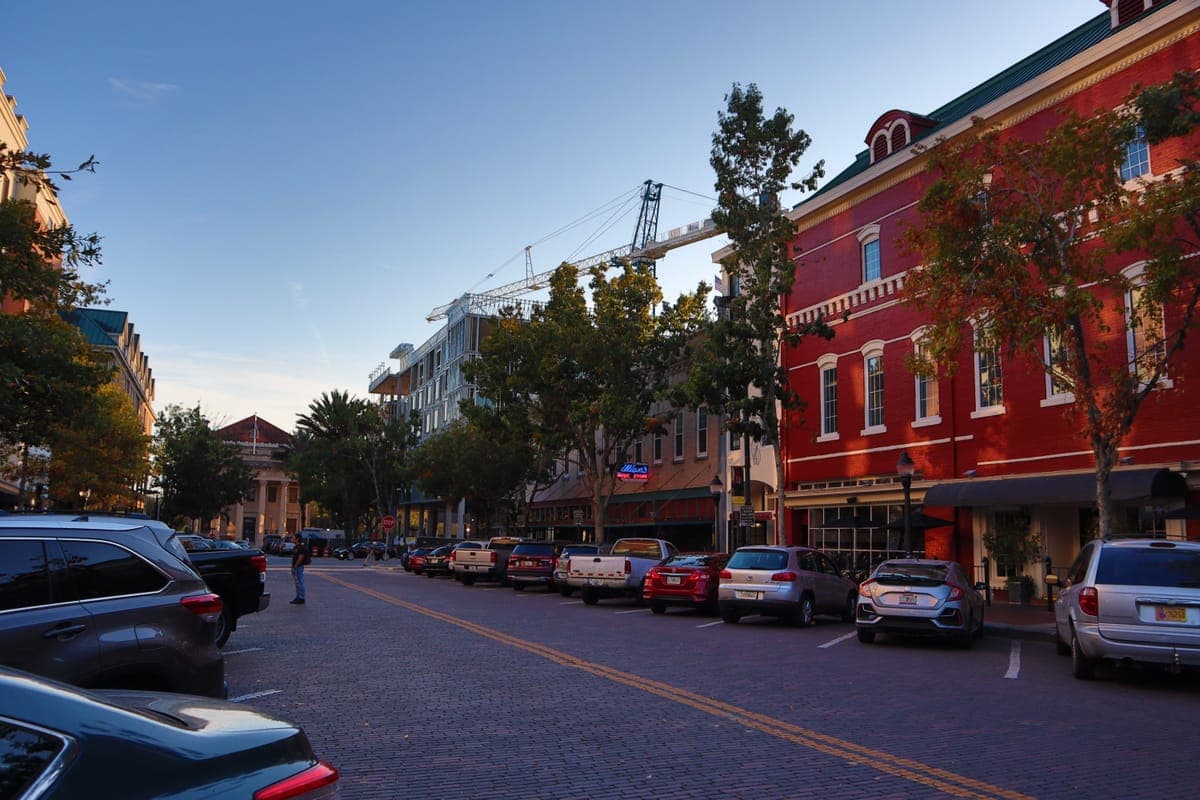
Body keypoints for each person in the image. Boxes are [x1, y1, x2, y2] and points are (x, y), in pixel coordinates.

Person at [290, 533, 310, 604]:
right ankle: (298, 597)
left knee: (300, 582)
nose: (292, 539)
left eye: (293, 538)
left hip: (298, 567)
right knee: (297, 583)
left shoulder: (300, 547)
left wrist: (295, 566)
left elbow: (300, 558)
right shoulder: (296, 547)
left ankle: (301, 598)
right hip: (296, 567)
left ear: (297, 539)